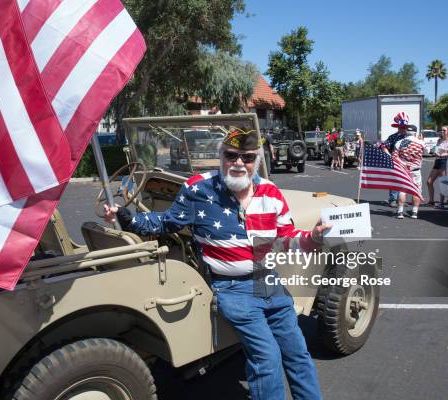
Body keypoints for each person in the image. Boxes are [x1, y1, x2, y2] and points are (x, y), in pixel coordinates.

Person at [104, 128, 327, 400]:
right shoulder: (198, 188)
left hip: (268, 281)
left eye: (246, 158)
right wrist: (128, 217)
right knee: (266, 359)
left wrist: (313, 238)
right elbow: (167, 222)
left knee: (297, 353)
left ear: (257, 160)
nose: (238, 163)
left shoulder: (271, 192)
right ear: (220, 156)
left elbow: (286, 238)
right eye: (231, 155)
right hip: (232, 288)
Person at [393, 124, 426, 219]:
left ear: (407, 131)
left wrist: (403, 163)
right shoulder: (421, 143)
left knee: (402, 191)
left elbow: (394, 156)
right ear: (416, 132)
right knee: (416, 191)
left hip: (403, 170)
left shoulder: (399, 142)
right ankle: (414, 212)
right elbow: (427, 152)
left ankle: (400, 212)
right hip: (415, 170)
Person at [380, 112, 411, 207]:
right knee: (394, 180)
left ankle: (401, 199)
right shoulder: (393, 137)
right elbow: (383, 146)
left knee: (404, 181)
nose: (403, 128)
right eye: (401, 127)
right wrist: (390, 156)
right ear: (398, 127)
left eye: (404, 127)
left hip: (406, 162)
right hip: (395, 161)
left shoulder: (410, 137)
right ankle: (392, 199)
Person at [426, 126, 448, 208]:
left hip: (444, 161)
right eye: (441, 130)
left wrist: (443, 154)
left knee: (442, 182)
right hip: (437, 161)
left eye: (444, 130)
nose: (442, 131)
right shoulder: (439, 140)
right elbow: (436, 149)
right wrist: (434, 152)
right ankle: (431, 201)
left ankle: (441, 203)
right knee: (429, 181)